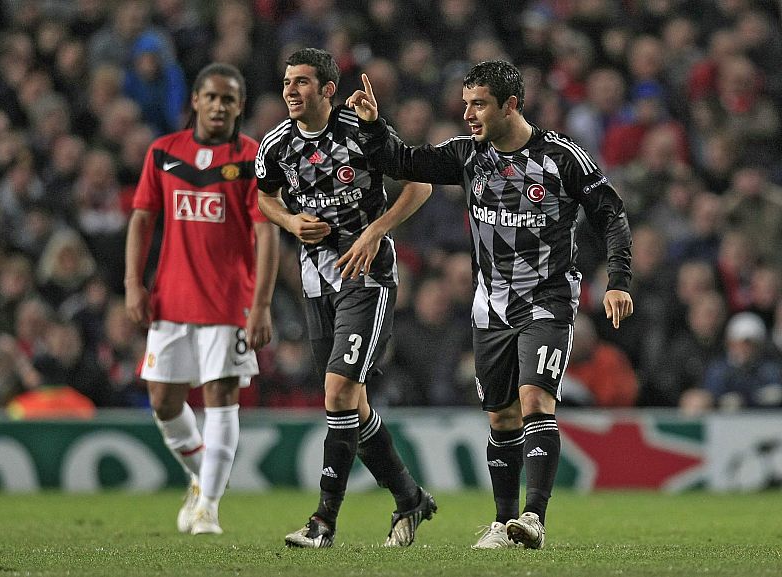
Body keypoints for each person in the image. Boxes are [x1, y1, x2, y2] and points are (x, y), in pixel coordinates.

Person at [348, 60, 634, 549]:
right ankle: (504, 523)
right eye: (466, 104)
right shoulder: (467, 155)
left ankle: (534, 516)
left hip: (547, 299)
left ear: (511, 105)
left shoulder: (561, 157)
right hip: (491, 307)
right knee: (501, 418)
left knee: (535, 400)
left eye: (479, 104)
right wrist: (375, 125)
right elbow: (403, 163)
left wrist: (618, 281)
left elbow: (611, 215)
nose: (468, 115)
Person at [255, 48, 435, 548]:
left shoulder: (361, 130)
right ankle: (410, 498)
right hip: (316, 281)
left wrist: (376, 230)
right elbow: (265, 196)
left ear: (328, 89)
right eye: (287, 82)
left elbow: (420, 184)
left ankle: (323, 522)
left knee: (337, 393)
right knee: (351, 404)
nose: (291, 91)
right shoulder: (276, 144)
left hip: (366, 277)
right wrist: (290, 222)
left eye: (302, 82)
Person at [124, 62, 279, 535]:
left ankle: (208, 506)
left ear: (240, 106)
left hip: (229, 301)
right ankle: (203, 478)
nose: (218, 106)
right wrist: (133, 283)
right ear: (195, 100)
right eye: (211, 96)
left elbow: (267, 234)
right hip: (171, 298)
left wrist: (262, 304)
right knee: (164, 402)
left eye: (228, 99)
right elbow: (142, 219)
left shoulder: (253, 159)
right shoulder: (164, 152)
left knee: (221, 397)